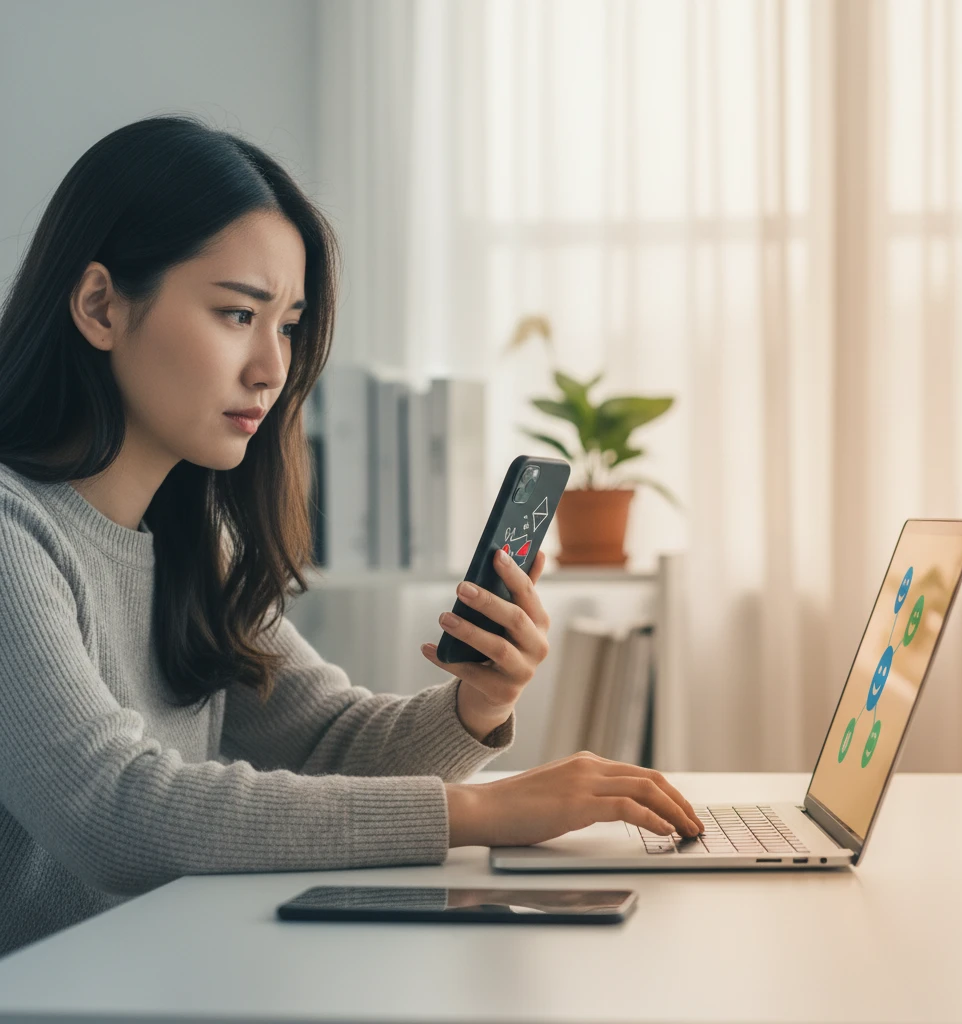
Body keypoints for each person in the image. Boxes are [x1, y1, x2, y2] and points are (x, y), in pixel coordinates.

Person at [0, 114, 703, 958]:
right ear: (99, 306)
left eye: (289, 325)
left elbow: (333, 741)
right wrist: (480, 811)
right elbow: (113, 810)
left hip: (155, 976)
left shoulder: (192, 543)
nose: (272, 366)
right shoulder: (15, 533)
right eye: (236, 314)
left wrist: (476, 707)